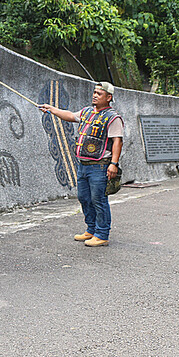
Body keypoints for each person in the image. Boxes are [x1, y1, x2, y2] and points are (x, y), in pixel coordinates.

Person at [38, 82, 124, 247]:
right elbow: (70, 115)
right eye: (94, 92)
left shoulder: (113, 118)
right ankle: (91, 230)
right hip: (83, 164)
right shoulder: (87, 112)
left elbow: (117, 142)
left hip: (100, 165)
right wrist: (51, 109)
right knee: (84, 198)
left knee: (98, 199)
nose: (95, 95)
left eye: (99, 93)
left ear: (108, 97)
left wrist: (113, 163)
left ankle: (102, 234)